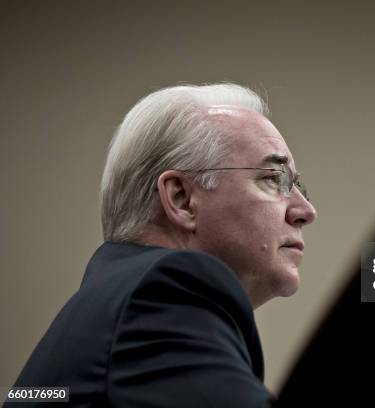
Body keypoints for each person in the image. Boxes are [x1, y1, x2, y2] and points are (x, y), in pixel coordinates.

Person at [8, 83, 317, 407]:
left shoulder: (122, 298)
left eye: (297, 186)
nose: (305, 211)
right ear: (181, 199)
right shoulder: (165, 292)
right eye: (273, 178)